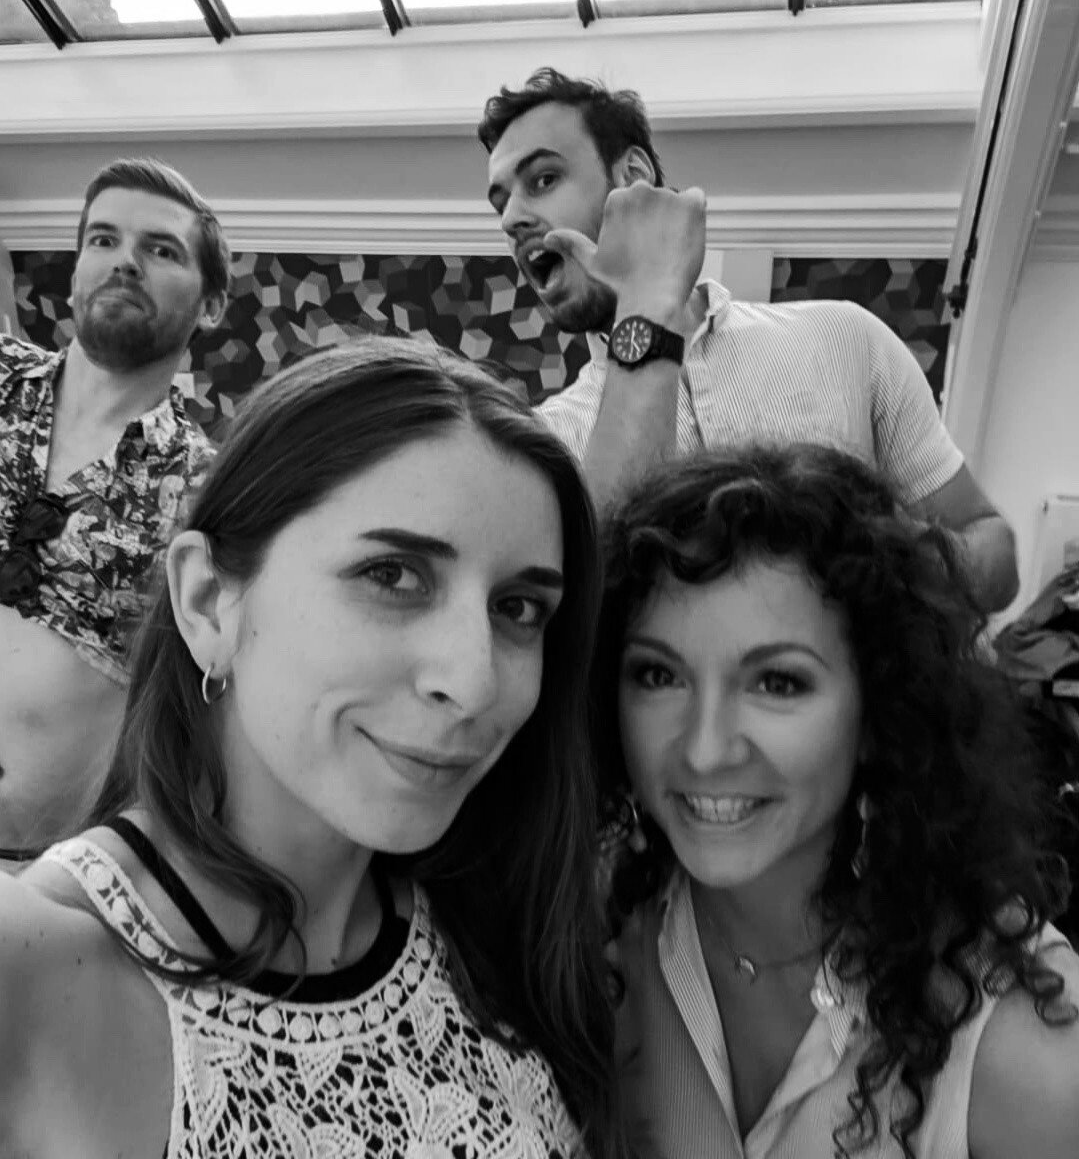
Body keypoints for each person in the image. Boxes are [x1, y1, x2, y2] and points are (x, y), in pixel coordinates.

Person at [0, 338, 625, 1158]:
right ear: (207, 601)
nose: (474, 683)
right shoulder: (30, 969)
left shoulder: (515, 934)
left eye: (516, 609)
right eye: (392, 575)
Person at [594, 443, 1079, 1158]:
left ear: (880, 713)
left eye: (778, 683)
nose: (704, 750)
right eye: (658, 675)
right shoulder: (590, 935)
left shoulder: (1026, 1049)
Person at [478, 68, 1019, 612]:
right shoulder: (543, 441)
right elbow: (589, 611)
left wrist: (880, 564)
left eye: (543, 180)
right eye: (501, 204)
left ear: (633, 178)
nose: (512, 220)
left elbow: (993, 550)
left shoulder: (844, 338)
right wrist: (646, 301)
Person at [0, 158, 227, 854]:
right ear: (75, 274)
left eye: (161, 250)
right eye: (103, 240)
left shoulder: (211, 492)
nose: (125, 261)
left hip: (33, 871)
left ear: (211, 306)